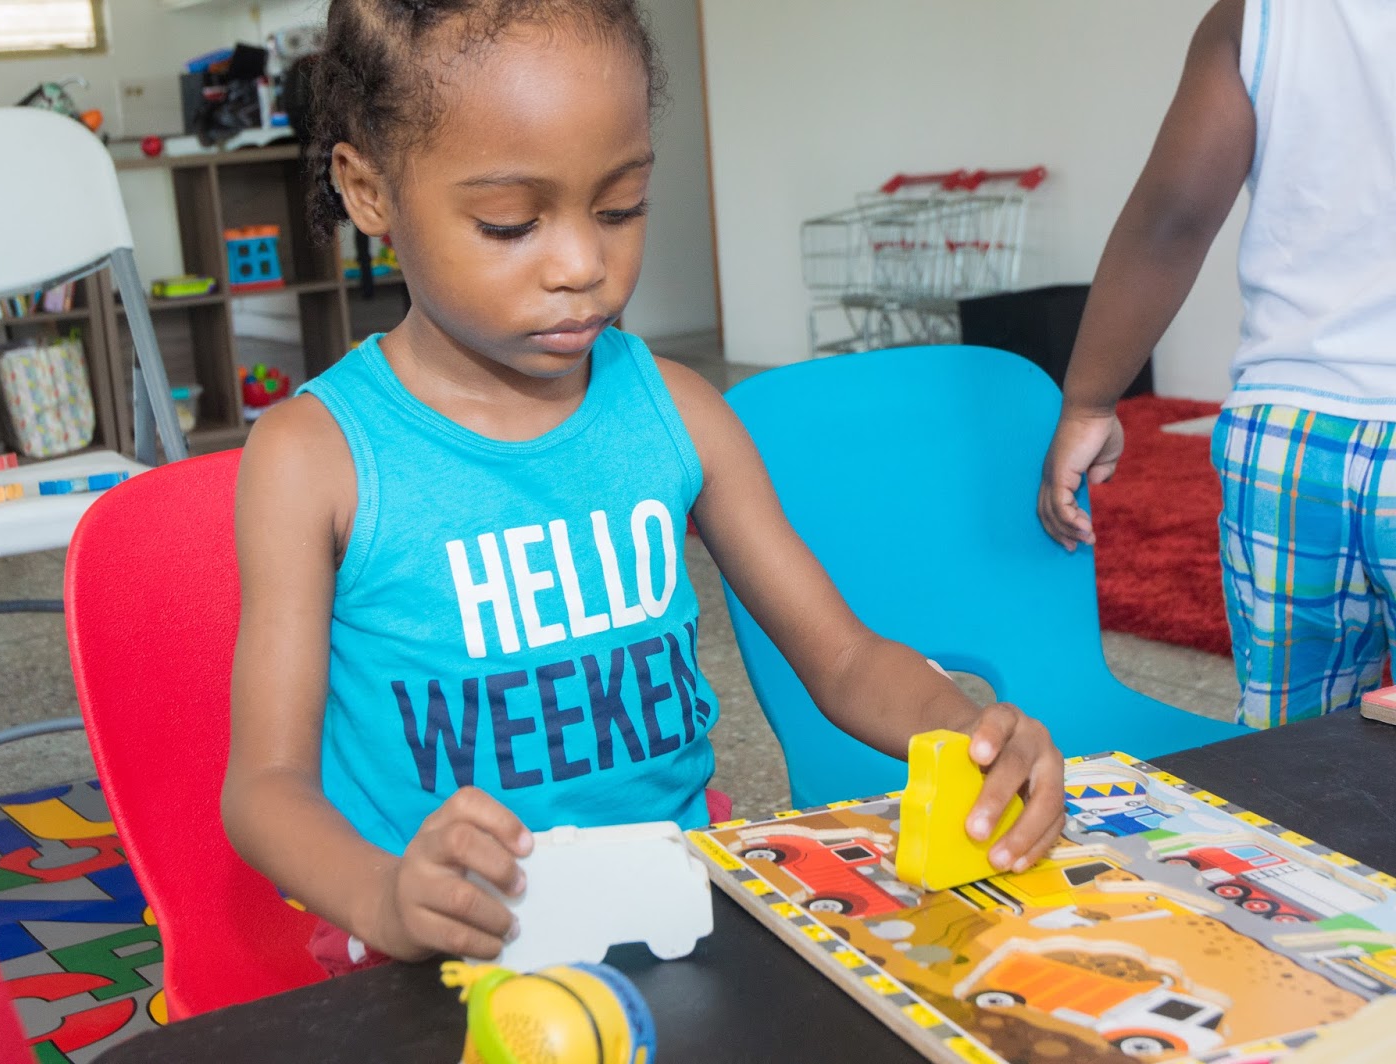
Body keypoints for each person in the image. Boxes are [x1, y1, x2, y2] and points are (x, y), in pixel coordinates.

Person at [224, 0, 1064, 975]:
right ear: (368, 190)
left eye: (620, 207)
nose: (584, 264)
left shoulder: (681, 412)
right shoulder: (314, 456)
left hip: (668, 918)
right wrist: (385, 896)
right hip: (437, 960)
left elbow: (842, 658)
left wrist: (967, 732)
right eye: (509, 223)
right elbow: (265, 786)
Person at [1038, 0, 1396, 729]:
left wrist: (1089, 401)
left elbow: (1172, 217)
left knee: (1289, 749)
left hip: (1285, 439)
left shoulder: (1259, 13)